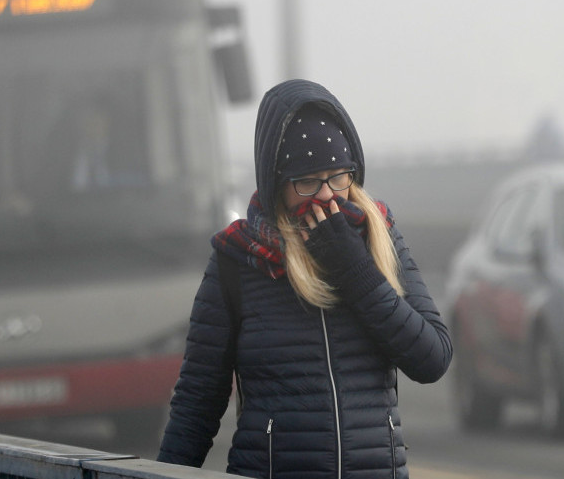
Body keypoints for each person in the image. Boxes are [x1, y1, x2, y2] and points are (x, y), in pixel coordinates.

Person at [157, 79, 452, 478]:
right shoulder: (238, 258)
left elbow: (431, 358)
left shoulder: (379, 236)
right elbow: (198, 401)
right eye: (308, 182)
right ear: (276, 183)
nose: (328, 196)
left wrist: (355, 269)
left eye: (338, 177)